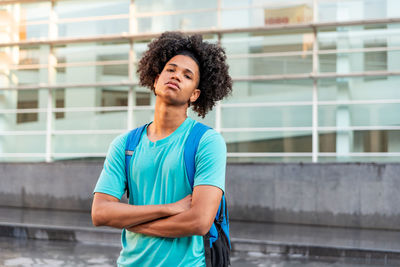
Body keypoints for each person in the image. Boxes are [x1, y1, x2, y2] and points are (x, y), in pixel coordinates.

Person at [91, 31, 232, 266]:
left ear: (195, 94)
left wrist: (131, 222)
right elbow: (100, 213)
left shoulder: (207, 142)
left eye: (187, 76)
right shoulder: (125, 144)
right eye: (171, 69)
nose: (176, 76)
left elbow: (199, 221)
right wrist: (170, 208)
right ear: (156, 80)